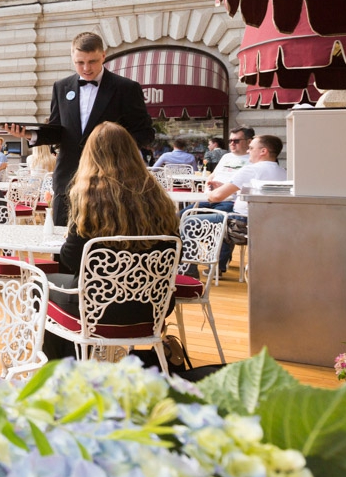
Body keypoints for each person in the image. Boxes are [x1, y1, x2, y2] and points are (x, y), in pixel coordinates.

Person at [41, 122, 180, 360]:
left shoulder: (88, 197)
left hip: (98, 306)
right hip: (154, 306)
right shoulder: (157, 195)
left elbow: (71, 258)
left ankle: (60, 368)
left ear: (90, 155)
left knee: (39, 284)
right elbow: (174, 247)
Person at [7, 31, 154, 226]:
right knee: (60, 244)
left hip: (109, 182)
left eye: (92, 61)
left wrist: (114, 145)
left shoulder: (126, 88)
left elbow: (146, 133)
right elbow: (58, 130)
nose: (86, 68)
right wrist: (30, 134)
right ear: (72, 57)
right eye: (79, 62)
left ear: (103, 55)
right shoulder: (61, 87)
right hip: (68, 179)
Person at [200, 133, 286, 277]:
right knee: (222, 216)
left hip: (241, 225)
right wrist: (224, 186)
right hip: (269, 226)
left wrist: (209, 192)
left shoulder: (251, 169)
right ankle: (217, 266)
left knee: (189, 221)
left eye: (251, 148)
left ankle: (186, 269)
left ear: (263, 151)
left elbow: (216, 197)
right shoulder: (283, 172)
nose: (248, 151)